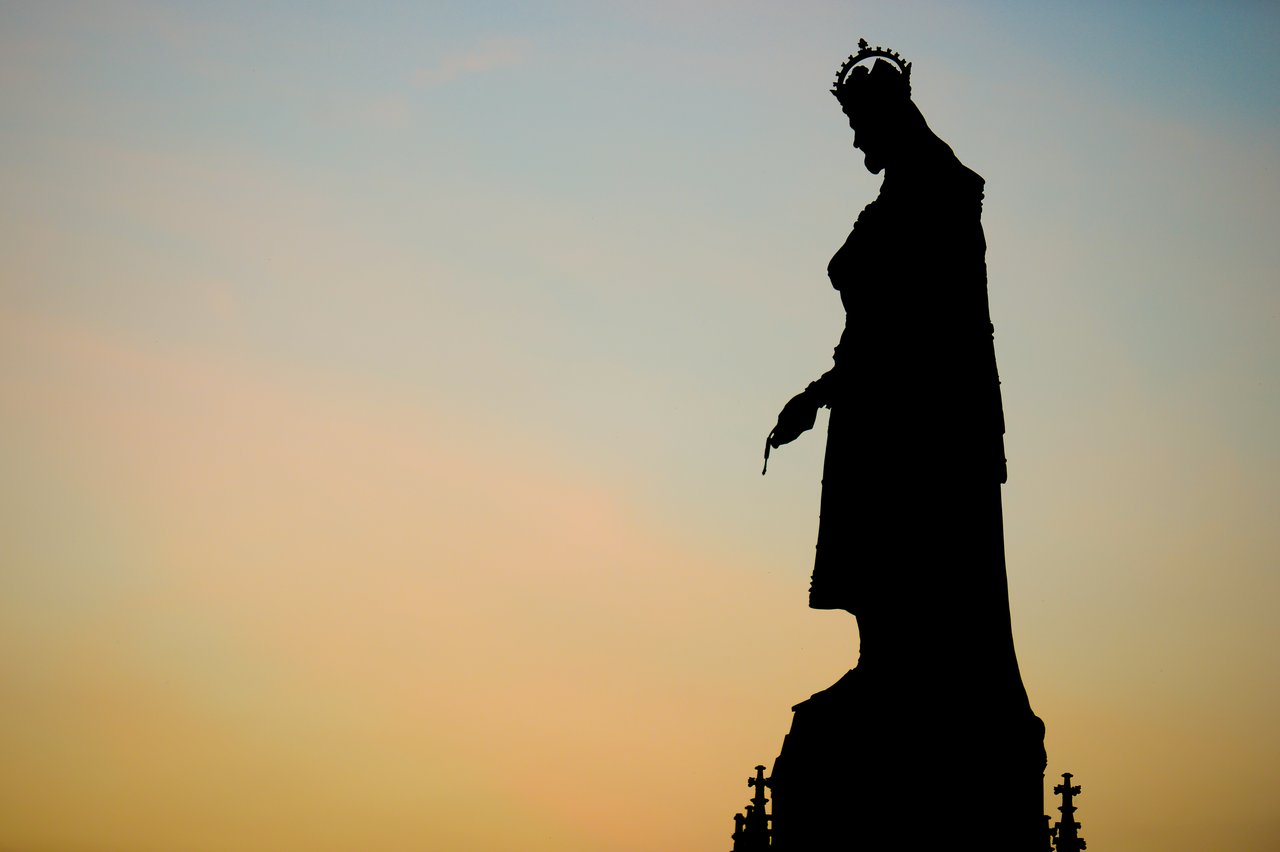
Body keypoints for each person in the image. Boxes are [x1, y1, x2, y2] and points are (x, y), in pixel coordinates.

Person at [766, 43, 1013, 677]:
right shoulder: (903, 193)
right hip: (871, 396)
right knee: (879, 554)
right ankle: (882, 664)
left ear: (888, 116)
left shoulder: (936, 192)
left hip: (917, 411)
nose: (855, 145)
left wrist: (824, 392)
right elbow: (877, 324)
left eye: (858, 127)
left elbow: (914, 324)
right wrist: (824, 392)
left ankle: (903, 671)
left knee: (908, 541)